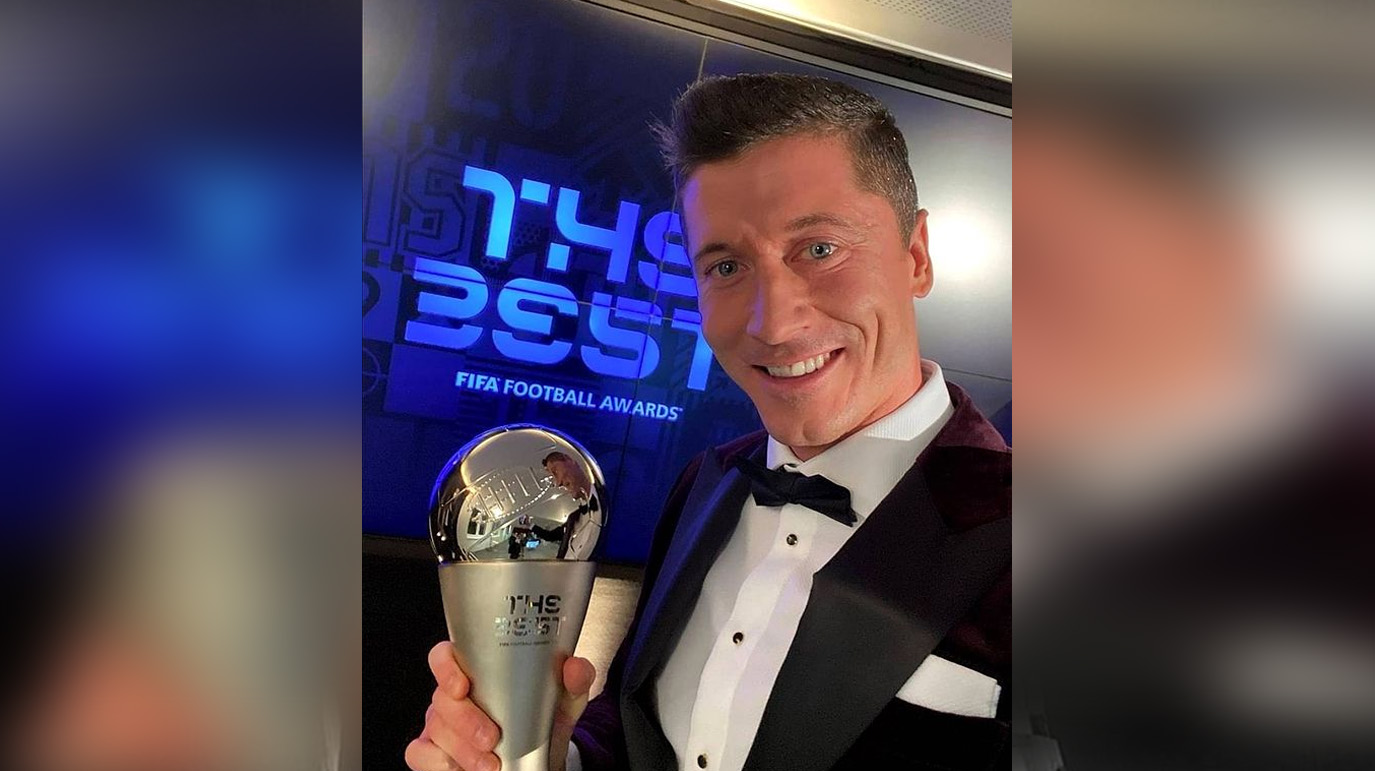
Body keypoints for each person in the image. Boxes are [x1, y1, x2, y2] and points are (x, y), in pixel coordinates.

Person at [405, 72, 1010, 771]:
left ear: (916, 256)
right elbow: (635, 722)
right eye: (726, 267)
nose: (773, 323)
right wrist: (551, 755)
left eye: (819, 248)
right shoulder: (708, 480)